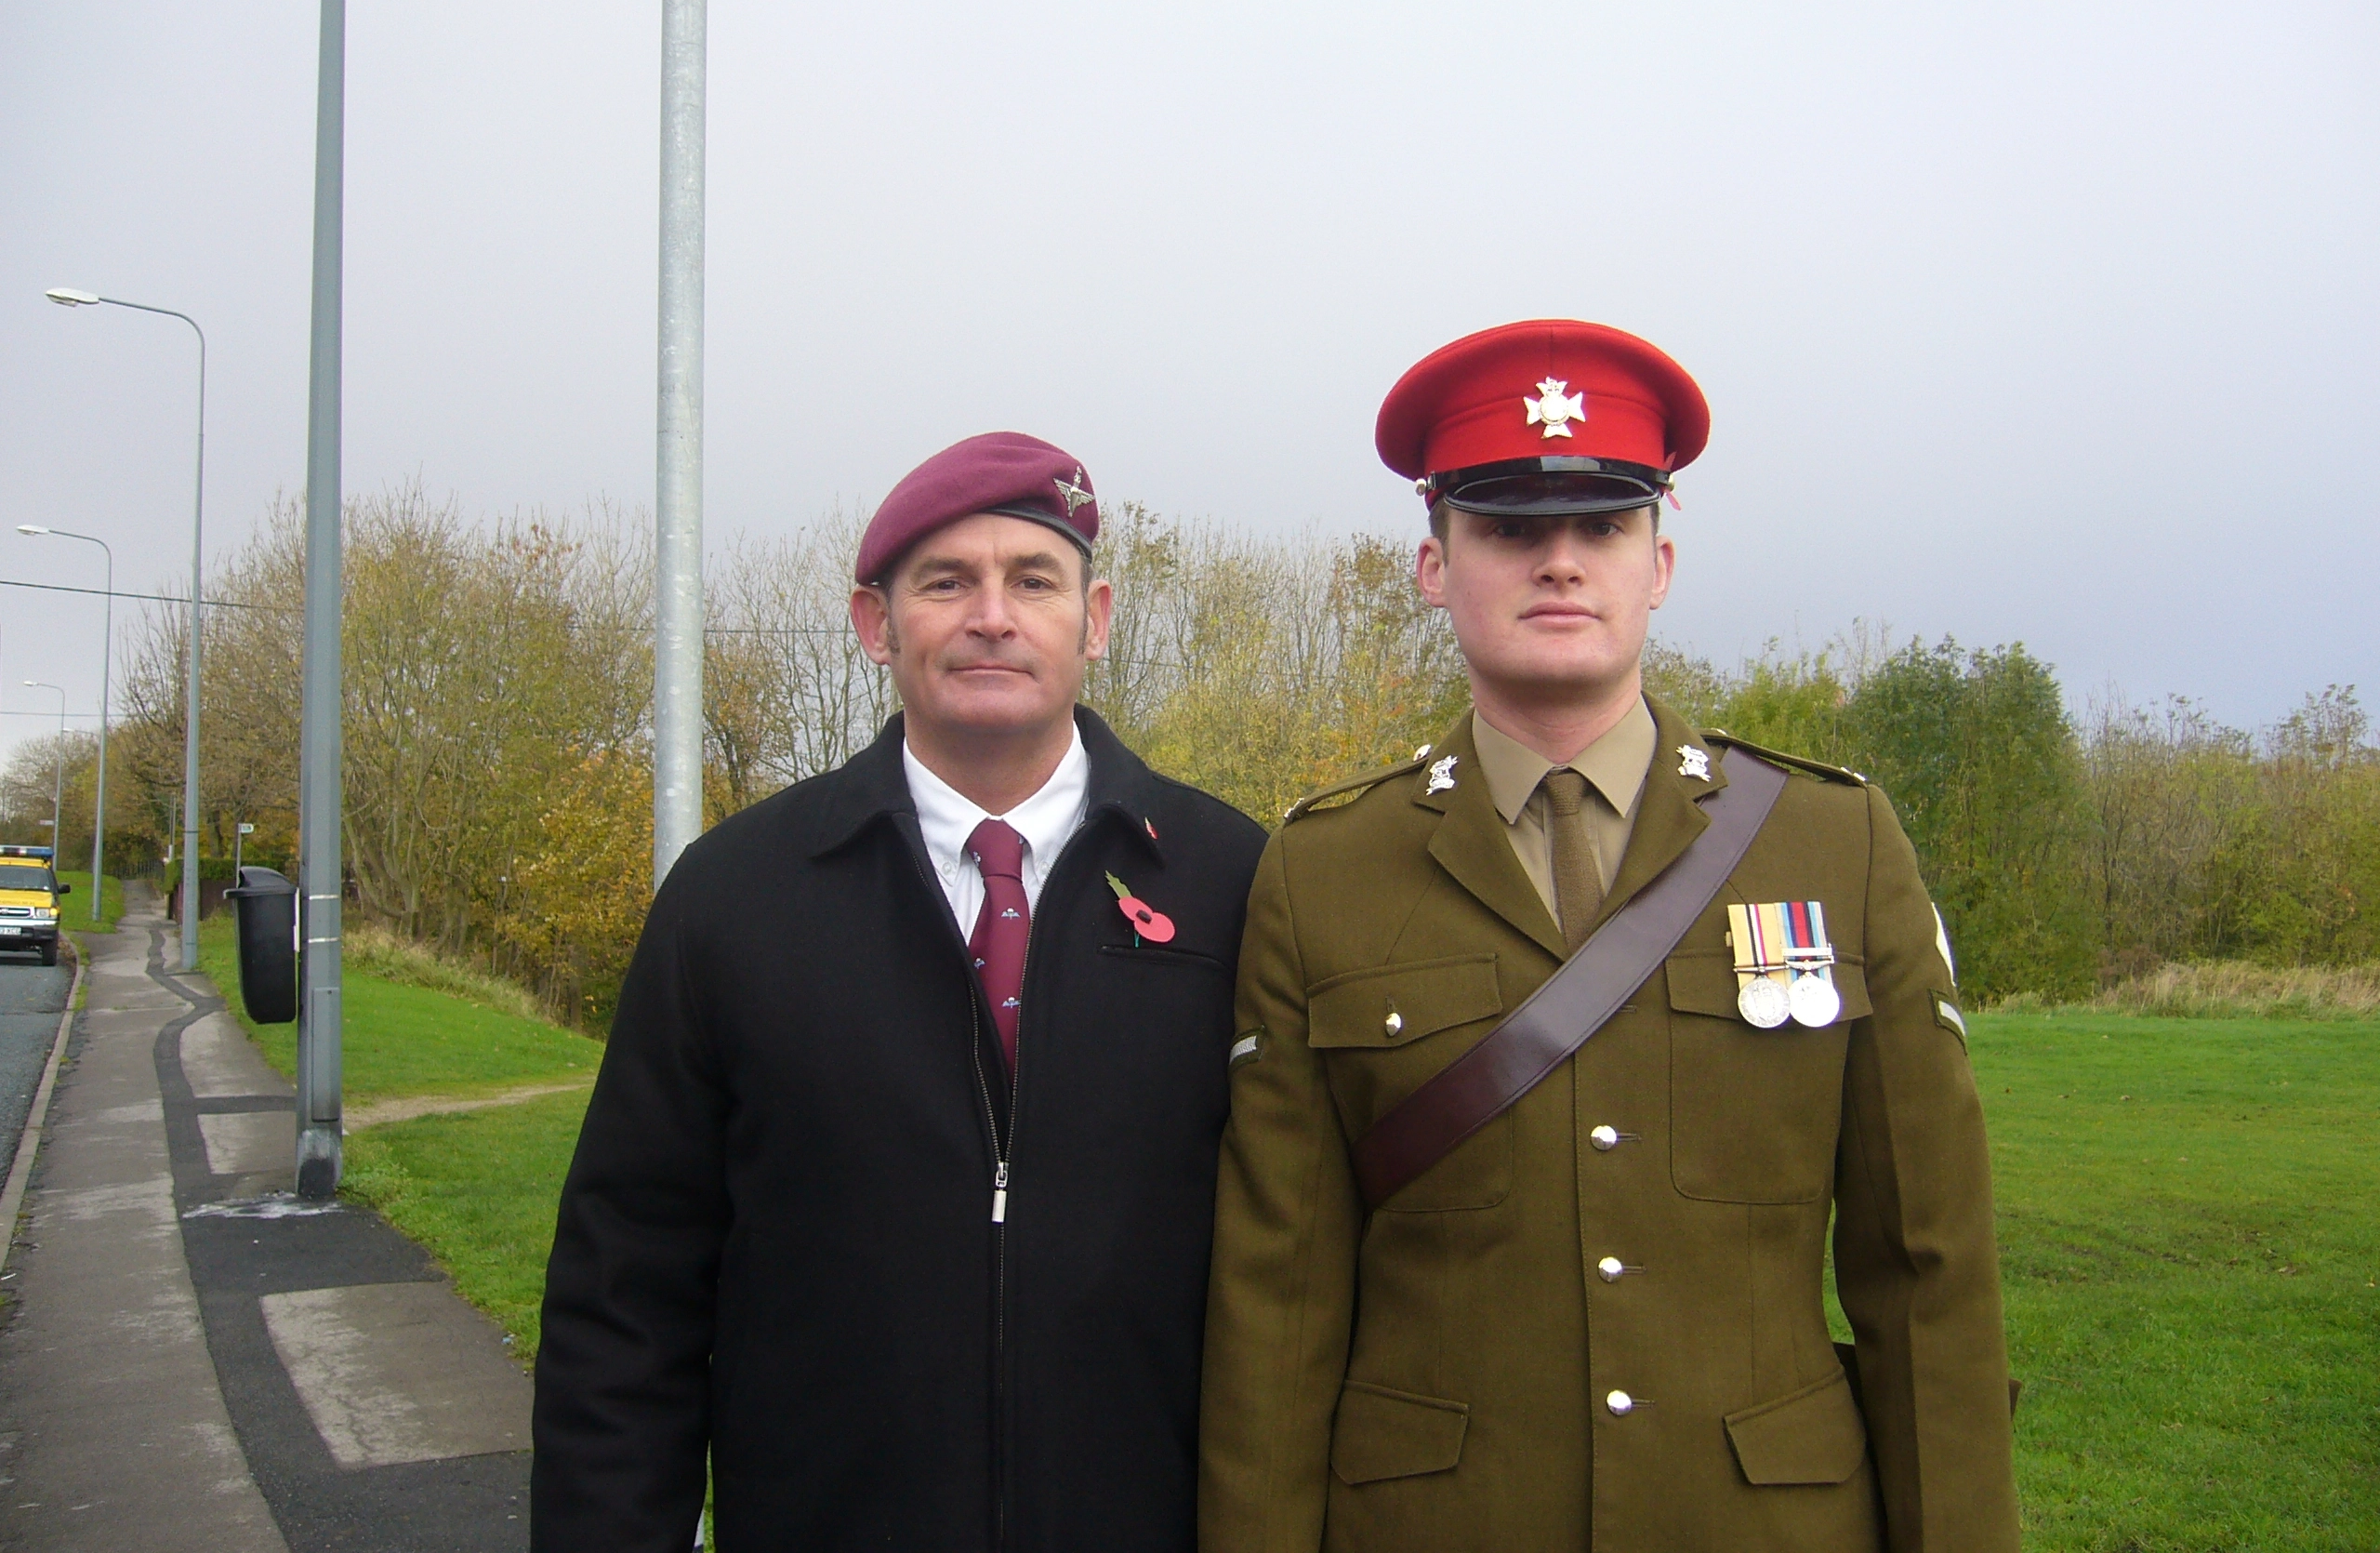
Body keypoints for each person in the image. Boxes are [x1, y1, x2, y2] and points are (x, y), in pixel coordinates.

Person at [1198, 322, 2019, 1551]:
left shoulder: (1832, 843)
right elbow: (1278, 1303)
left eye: (1602, 526)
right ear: (1434, 566)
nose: (1560, 563)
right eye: (1509, 528)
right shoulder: (1324, 871)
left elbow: (1929, 1267)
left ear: (1661, 564)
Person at [534, 431, 1267, 1552]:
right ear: (875, 623)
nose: (991, 615)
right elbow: (627, 1291)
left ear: (1098, 619)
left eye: (1033, 580)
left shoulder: (1234, 884)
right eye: (945, 582)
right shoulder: (736, 895)